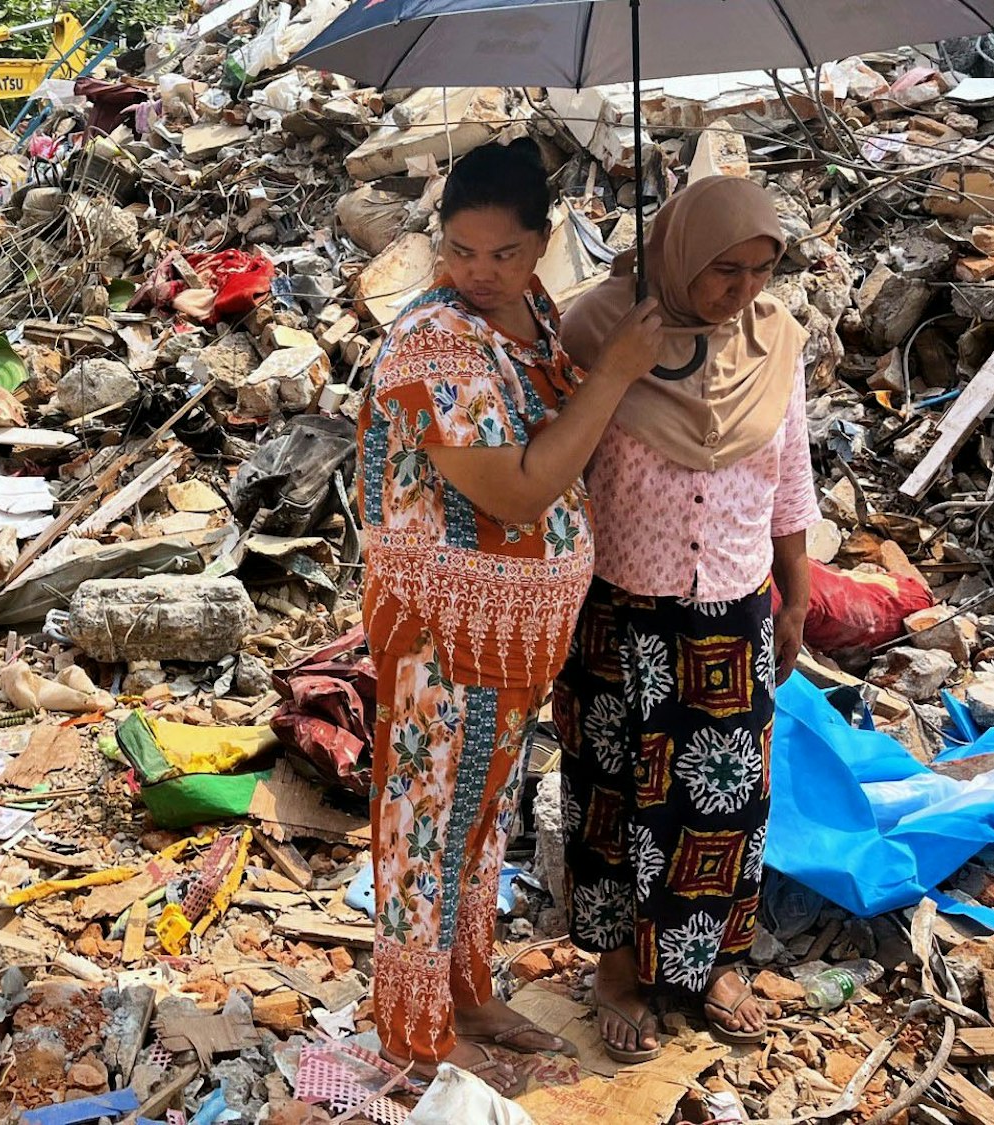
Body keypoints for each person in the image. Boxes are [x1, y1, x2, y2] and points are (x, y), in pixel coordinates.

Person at [357, 139, 663, 1080]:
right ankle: (414, 1039)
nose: (478, 273)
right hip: (447, 636)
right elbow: (520, 493)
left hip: (515, 639)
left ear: (542, 245)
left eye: (502, 253)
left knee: (480, 822)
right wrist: (616, 369)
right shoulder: (435, 340)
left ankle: (471, 994)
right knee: (426, 822)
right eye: (459, 250)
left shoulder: (529, 314)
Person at [557, 175, 820, 1061]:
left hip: (734, 611)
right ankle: (622, 972)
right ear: (676, 255)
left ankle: (711, 962)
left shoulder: (775, 340)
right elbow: (557, 464)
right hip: (623, 612)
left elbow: (790, 475)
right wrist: (624, 365)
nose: (740, 290)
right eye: (720, 271)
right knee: (618, 795)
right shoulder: (599, 329)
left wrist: (797, 593)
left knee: (725, 800)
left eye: (758, 269)